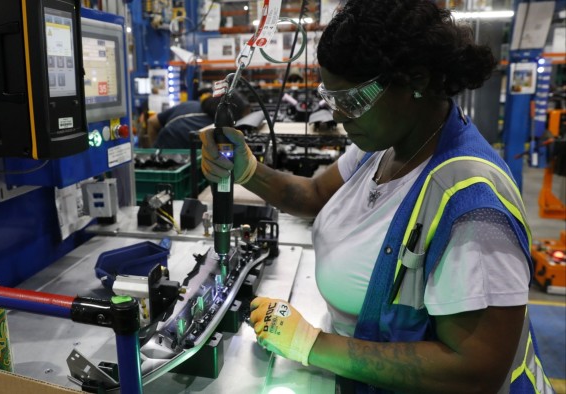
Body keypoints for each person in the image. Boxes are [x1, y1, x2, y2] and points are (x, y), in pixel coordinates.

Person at [200, 1, 553, 393]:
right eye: (331, 100)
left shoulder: (473, 208)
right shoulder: (385, 145)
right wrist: (247, 170)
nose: (337, 117)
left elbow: (474, 370)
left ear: (416, 80)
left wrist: (311, 344)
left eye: (351, 102)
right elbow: (315, 194)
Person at [142, 90, 250, 149]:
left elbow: (152, 122)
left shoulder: (190, 105)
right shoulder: (213, 128)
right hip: (173, 165)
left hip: (158, 158)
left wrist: (153, 150)